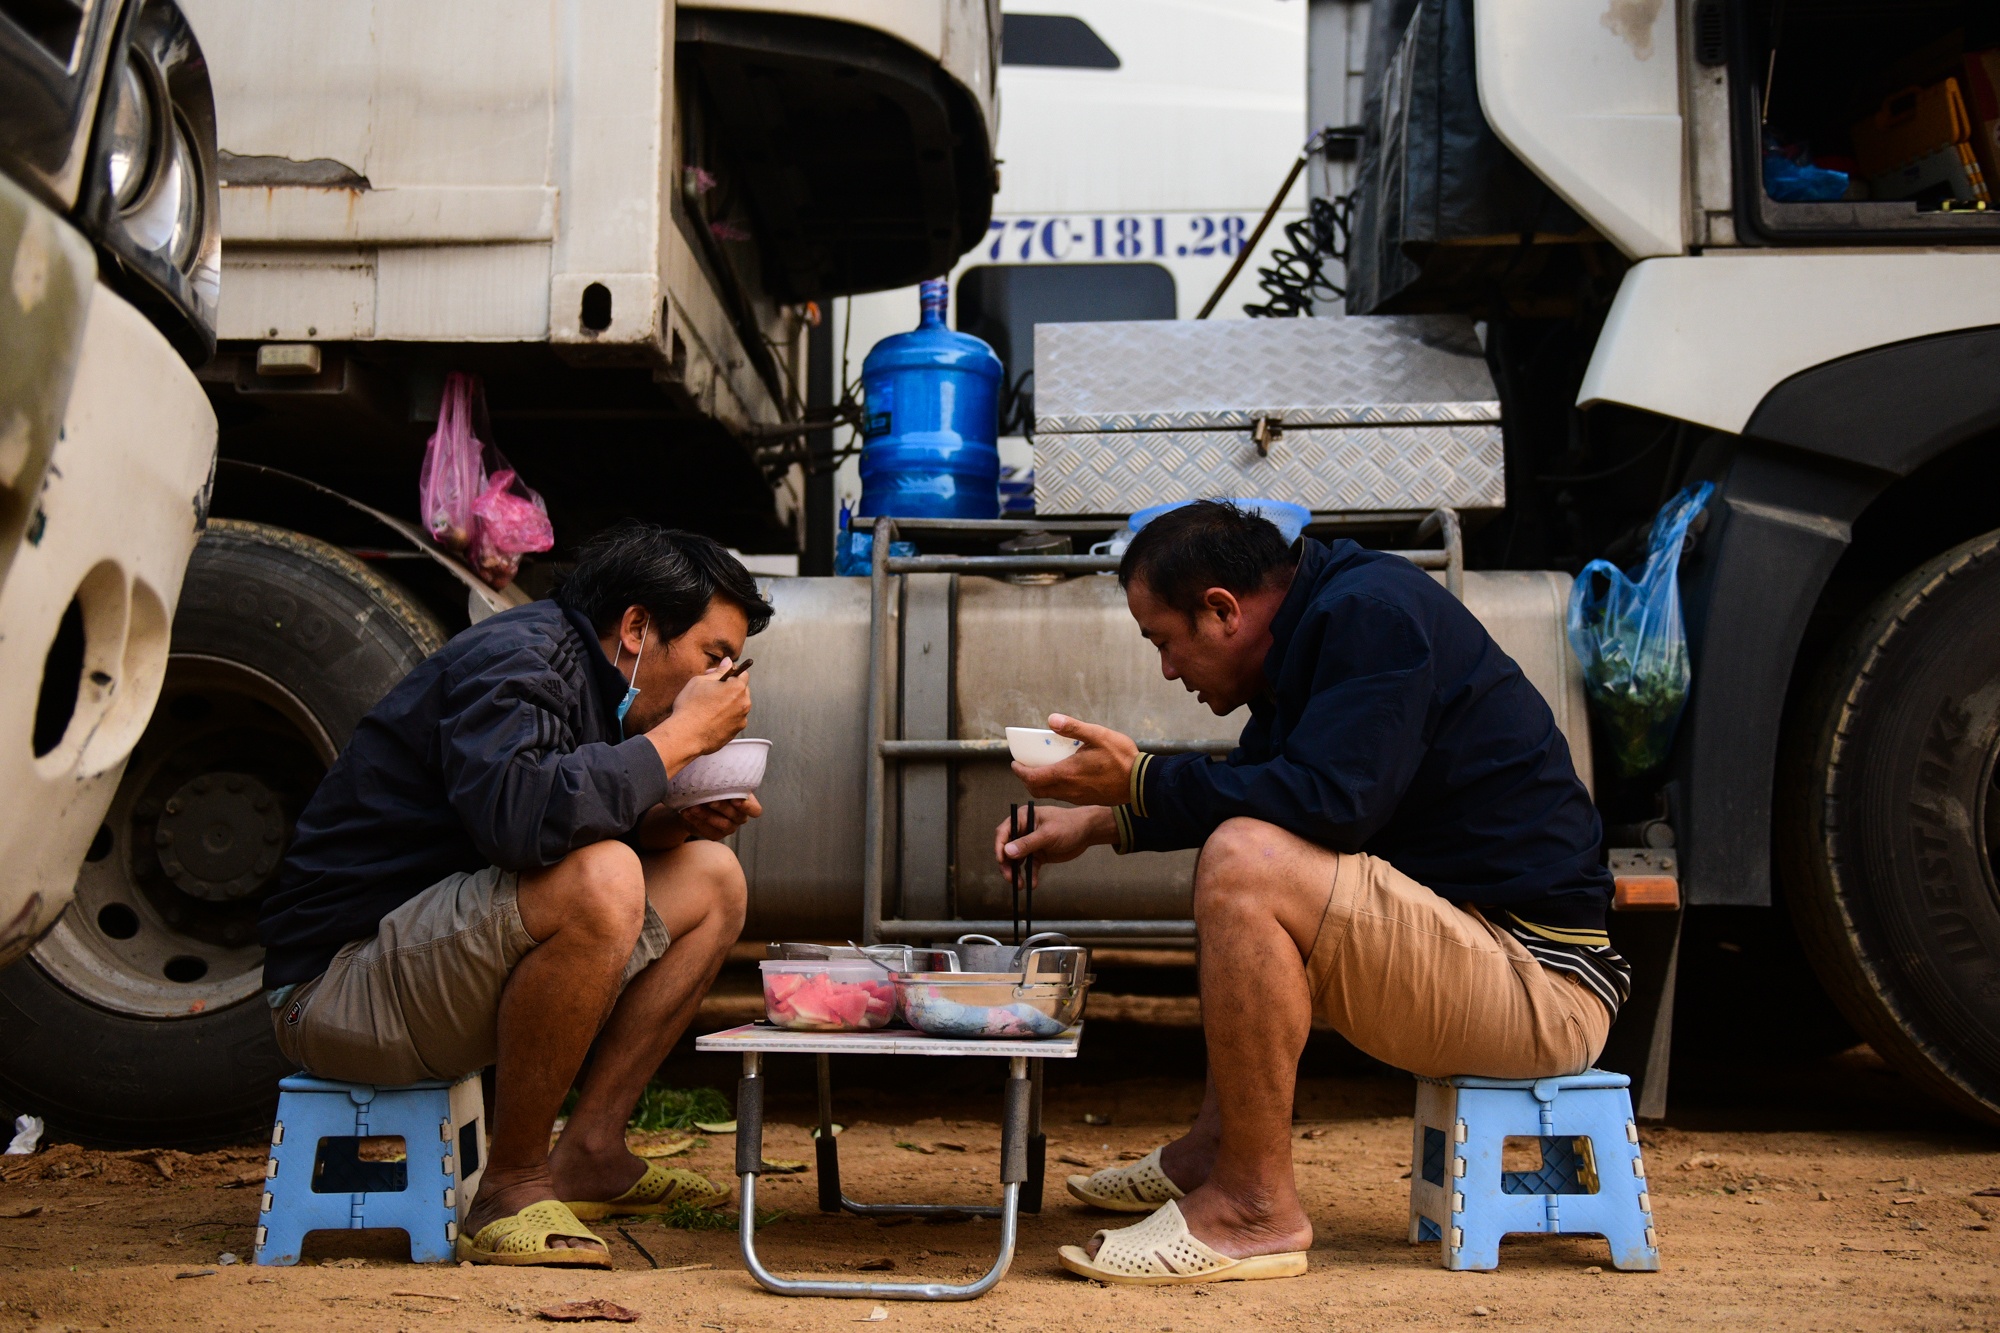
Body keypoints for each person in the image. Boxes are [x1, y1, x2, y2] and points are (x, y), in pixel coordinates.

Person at [993, 501, 1625, 1286]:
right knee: (1248, 848)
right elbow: (1263, 789)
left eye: (1164, 641)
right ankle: (1213, 1152)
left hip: (1540, 982)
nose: (1166, 669)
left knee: (1245, 864)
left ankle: (1254, 1209)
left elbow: (1326, 803)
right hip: (1485, 950)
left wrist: (1141, 779)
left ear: (1222, 609)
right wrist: (1097, 821)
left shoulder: (1369, 617)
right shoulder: (1325, 621)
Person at [257, 522, 772, 1267]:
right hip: (335, 985)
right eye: (713, 657)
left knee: (713, 879)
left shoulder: (595, 686)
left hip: (424, 965)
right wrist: (678, 740)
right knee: (605, 879)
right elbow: (523, 823)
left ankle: (590, 1148)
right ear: (636, 628)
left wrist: (676, 817)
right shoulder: (519, 659)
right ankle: (512, 1185)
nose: (723, 683)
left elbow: (558, 828)